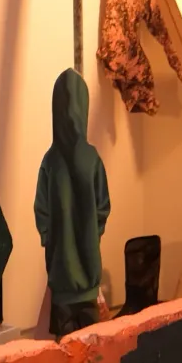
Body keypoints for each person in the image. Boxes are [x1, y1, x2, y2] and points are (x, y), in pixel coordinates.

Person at [34, 68, 111, 336]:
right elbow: (103, 207)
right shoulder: (92, 159)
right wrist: (91, 235)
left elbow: (41, 211)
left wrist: (54, 243)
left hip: (61, 281)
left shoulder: (50, 161)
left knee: (65, 355)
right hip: (88, 278)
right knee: (91, 354)